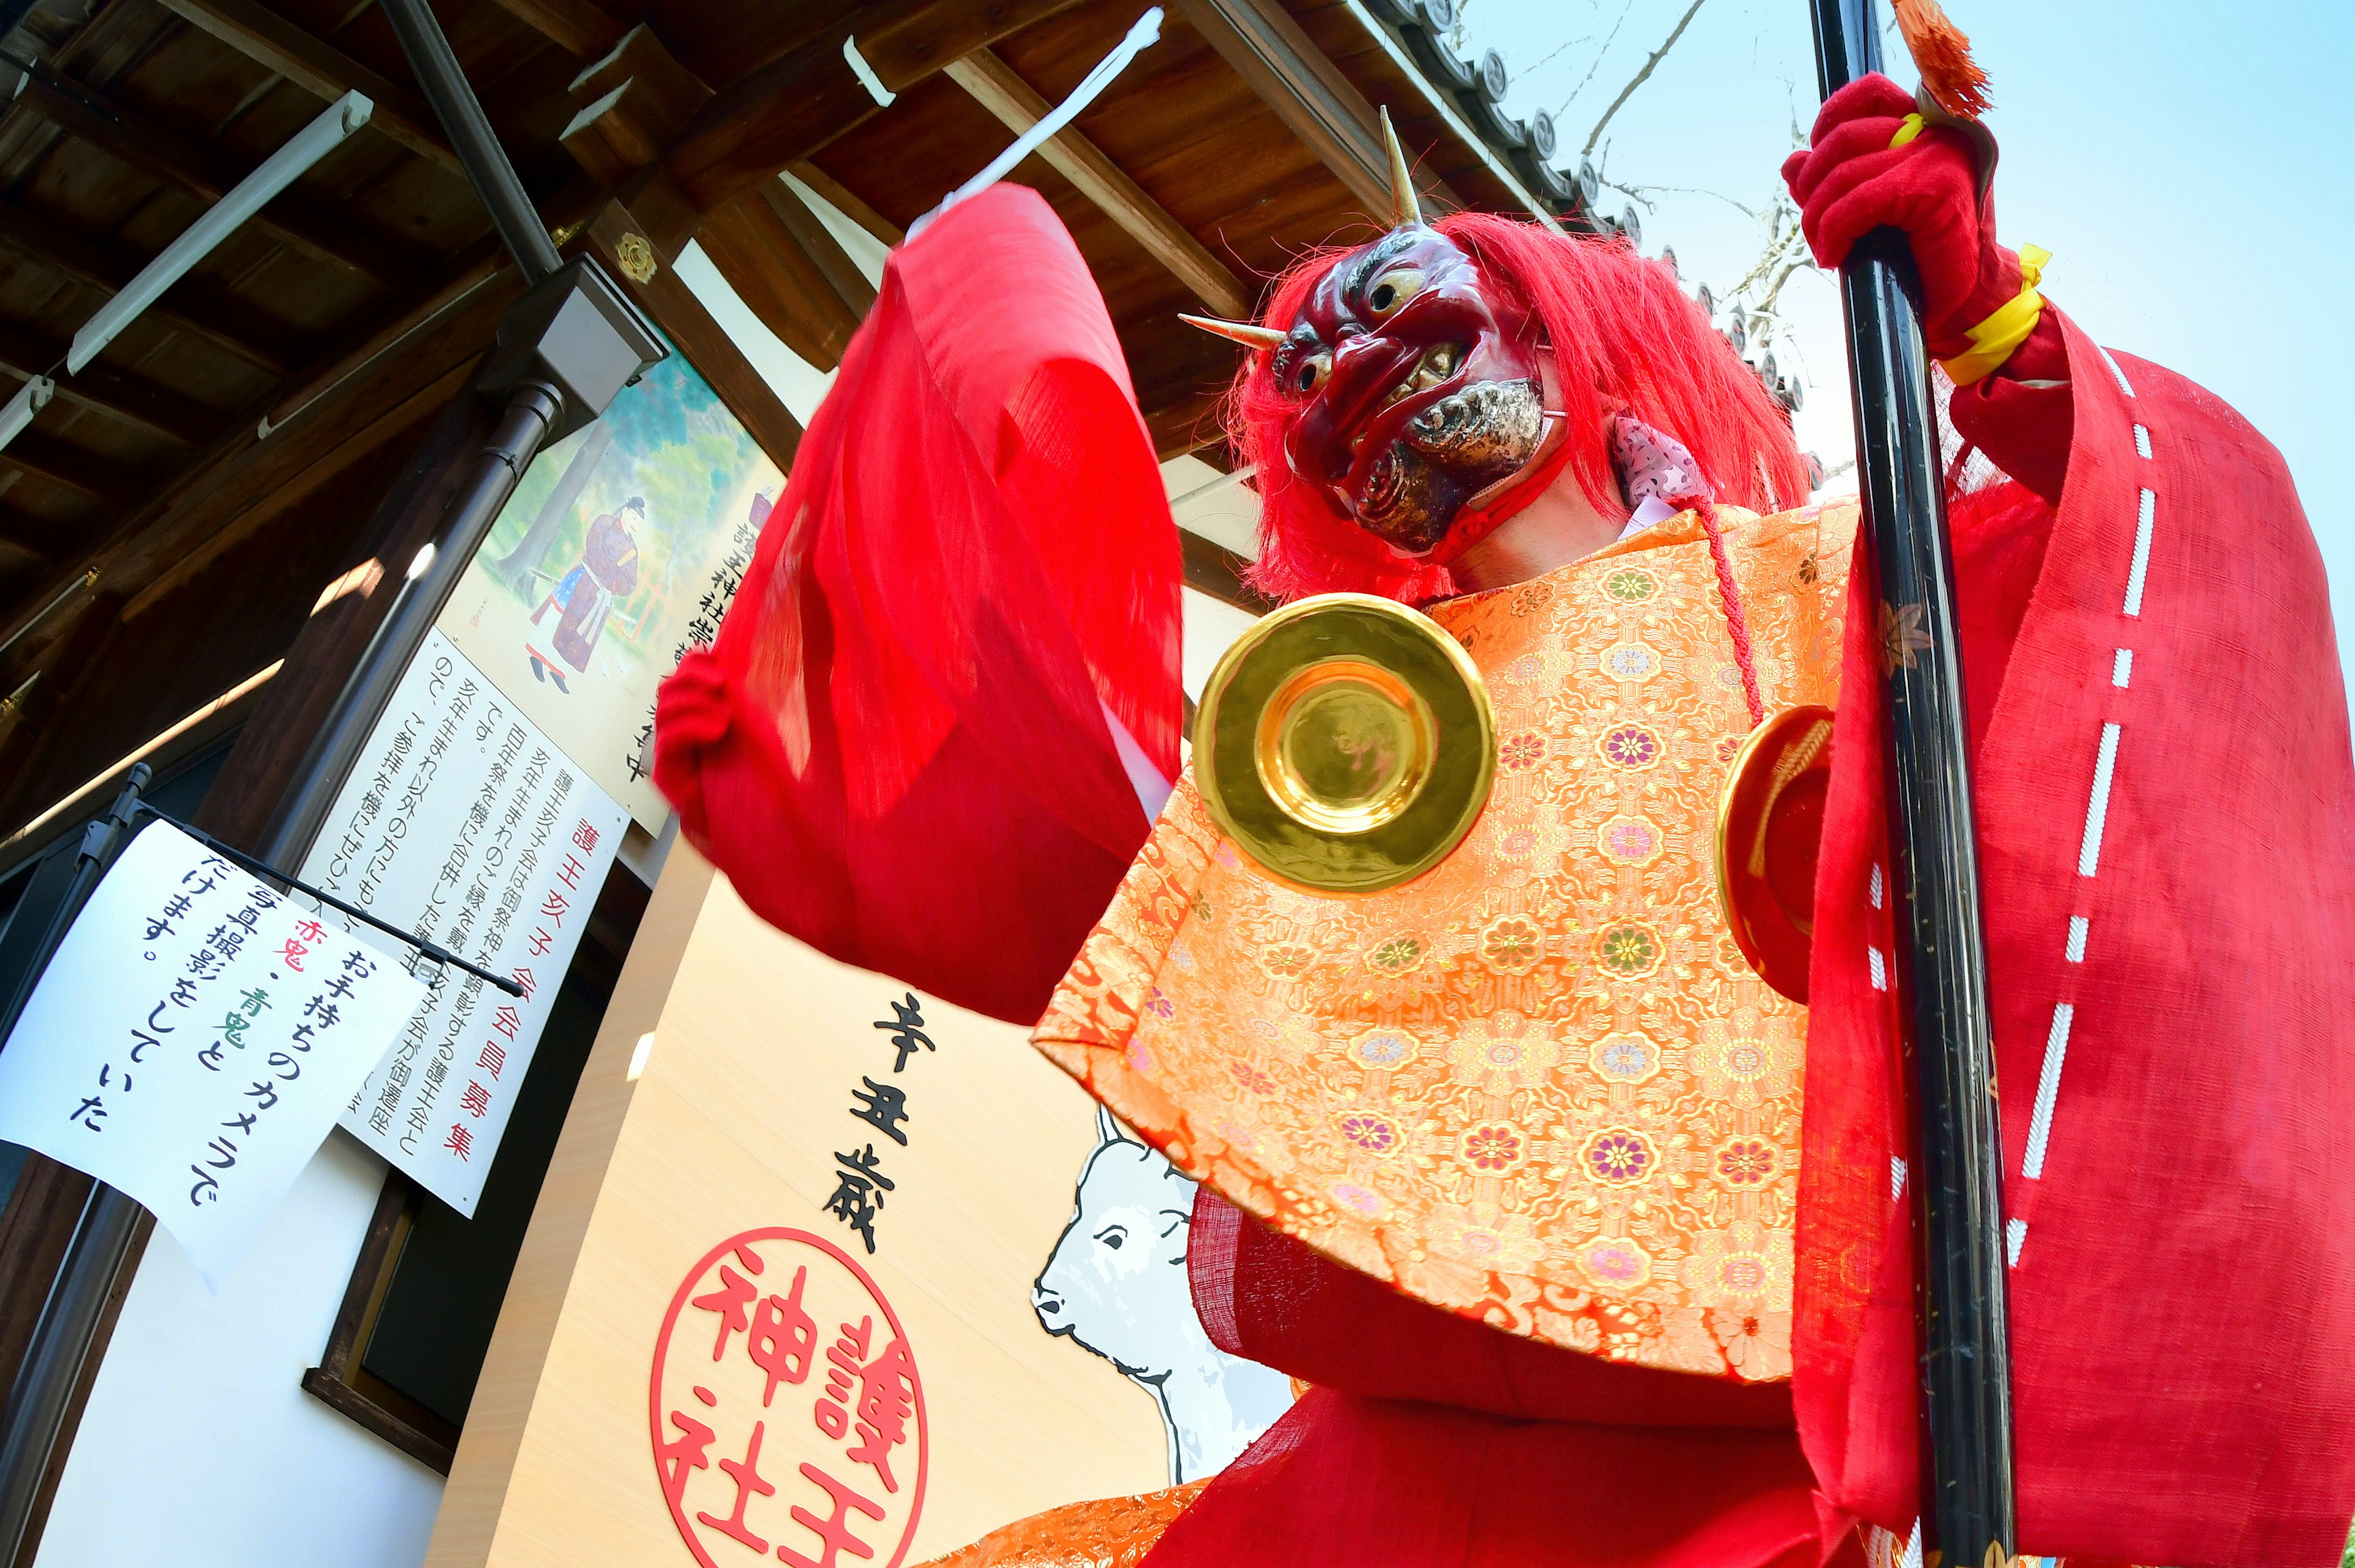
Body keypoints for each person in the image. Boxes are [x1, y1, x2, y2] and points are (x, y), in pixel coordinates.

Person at [661, 71, 2355, 1568]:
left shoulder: (1843, 589)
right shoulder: (1350, 761)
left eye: (1403, 302)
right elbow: (1080, 880)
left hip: (1821, 1427)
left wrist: (1991, 332)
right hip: (1448, 1452)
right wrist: (828, 728)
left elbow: (2137, 657)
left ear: (1551, 319)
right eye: (1308, 374)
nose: (1356, 371)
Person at [527, 494, 644, 689]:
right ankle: (537, 654)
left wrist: (612, 582)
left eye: (639, 523)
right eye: (634, 518)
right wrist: (610, 569)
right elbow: (593, 547)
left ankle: (558, 670)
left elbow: (630, 582)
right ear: (625, 512)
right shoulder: (604, 523)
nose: (635, 525)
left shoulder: (632, 550)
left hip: (600, 595)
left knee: (581, 635)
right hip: (583, 580)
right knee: (557, 616)